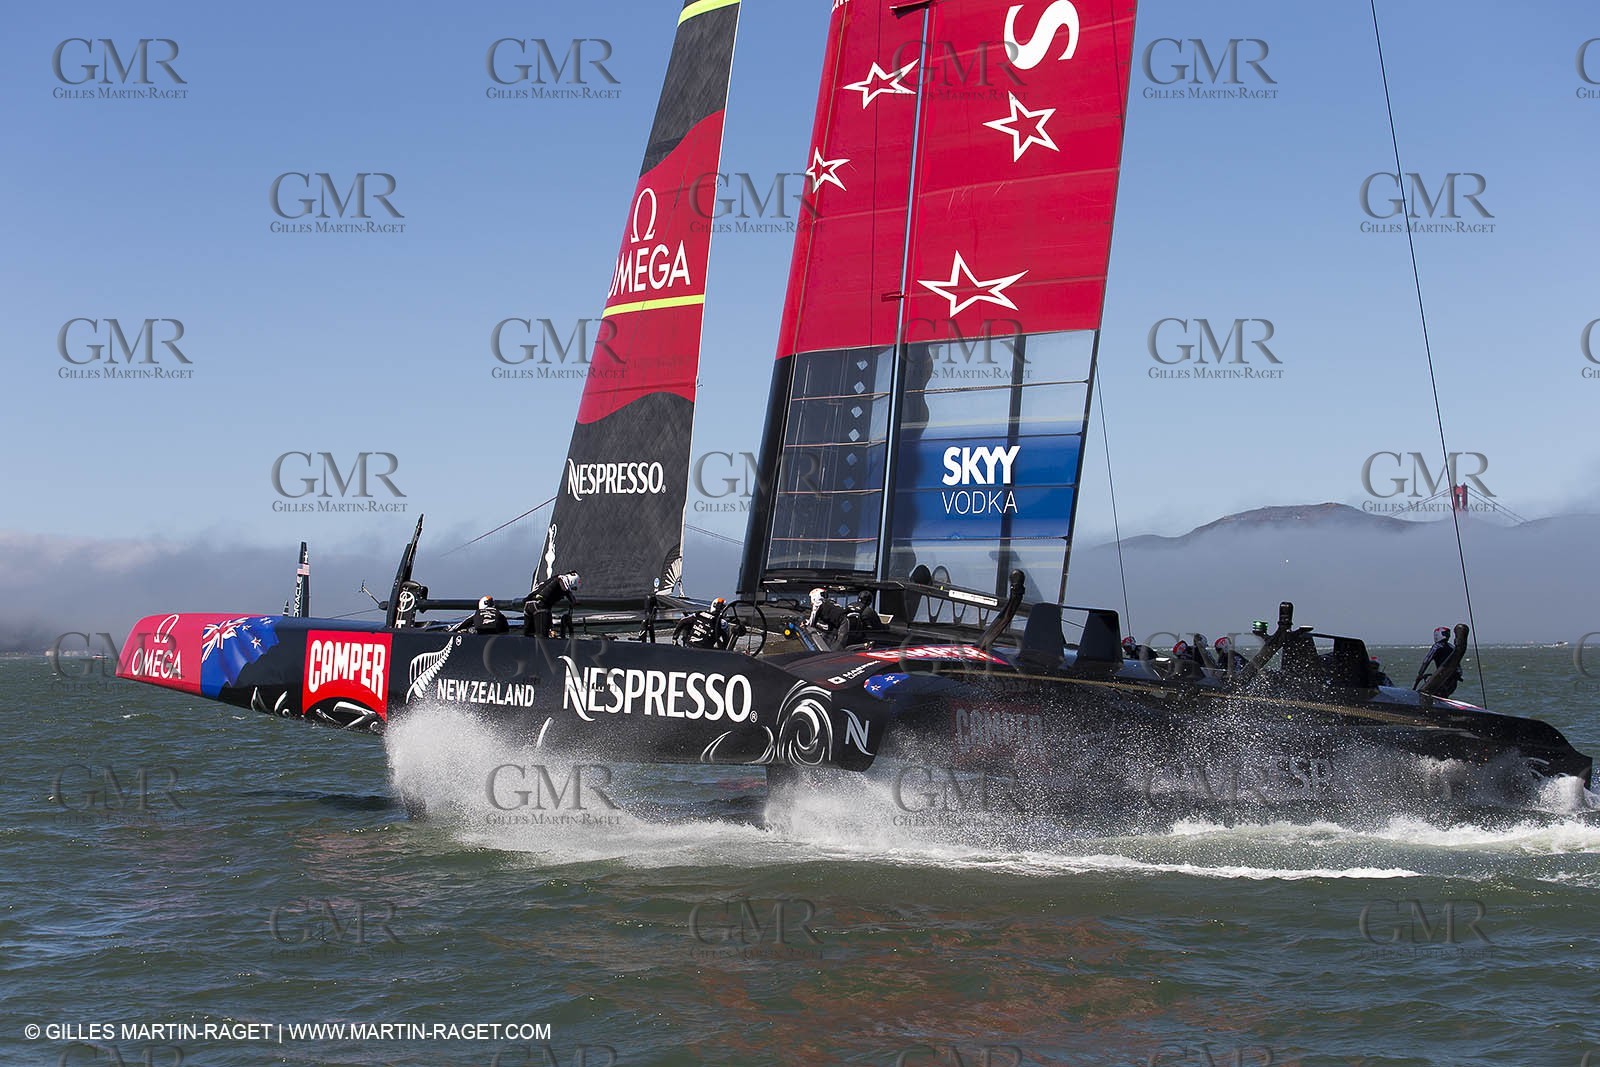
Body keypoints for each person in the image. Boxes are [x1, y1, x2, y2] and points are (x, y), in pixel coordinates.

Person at [524, 572, 581, 637]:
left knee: (529, 636)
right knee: (543, 637)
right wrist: (573, 601)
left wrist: (550, 627)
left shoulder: (552, 580)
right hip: (540, 606)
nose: (572, 590)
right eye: (573, 588)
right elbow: (564, 585)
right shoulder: (562, 579)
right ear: (572, 581)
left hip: (529, 605)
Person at [1412, 625, 1460, 695]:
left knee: (1435, 693)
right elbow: (1457, 663)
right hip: (1453, 679)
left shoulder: (1437, 646)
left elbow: (1426, 661)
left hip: (1443, 679)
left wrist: (1420, 674)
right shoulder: (1452, 647)